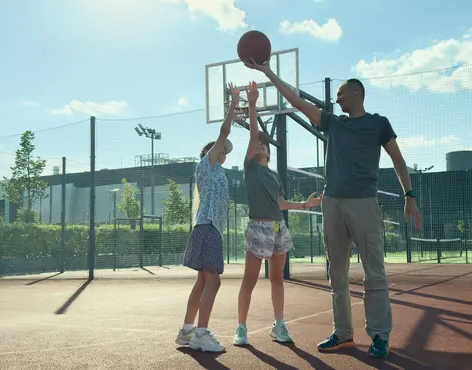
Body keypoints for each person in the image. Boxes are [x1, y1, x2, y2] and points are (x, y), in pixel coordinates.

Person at [244, 59, 422, 358]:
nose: (336, 98)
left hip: (365, 203)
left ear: (356, 92)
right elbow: (296, 101)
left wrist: (410, 195)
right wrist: (267, 72)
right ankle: (343, 333)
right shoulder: (332, 123)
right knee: (336, 272)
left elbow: (398, 160)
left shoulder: (379, 123)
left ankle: (379, 335)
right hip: (333, 203)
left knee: (374, 272)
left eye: (340, 93)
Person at [232, 81, 322, 346]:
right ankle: (241, 327)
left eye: (264, 145)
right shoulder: (251, 170)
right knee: (249, 281)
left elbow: (281, 203)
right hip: (257, 228)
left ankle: (279, 325)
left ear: (269, 153)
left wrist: (305, 205)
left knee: (277, 280)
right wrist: (252, 103)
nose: (260, 145)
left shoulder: (272, 175)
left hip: (278, 228)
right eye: (257, 144)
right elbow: (252, 136)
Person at [175, 83, 240, 353]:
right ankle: (201, 334)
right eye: (222, 149)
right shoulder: (207, 163)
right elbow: (223, 132)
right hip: (208, 228)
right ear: (212, 151)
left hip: (208, 228)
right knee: (213, 281)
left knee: (203, 281)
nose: (225, 152)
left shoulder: (217, 172)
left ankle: (187, 331)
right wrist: (234, 104)